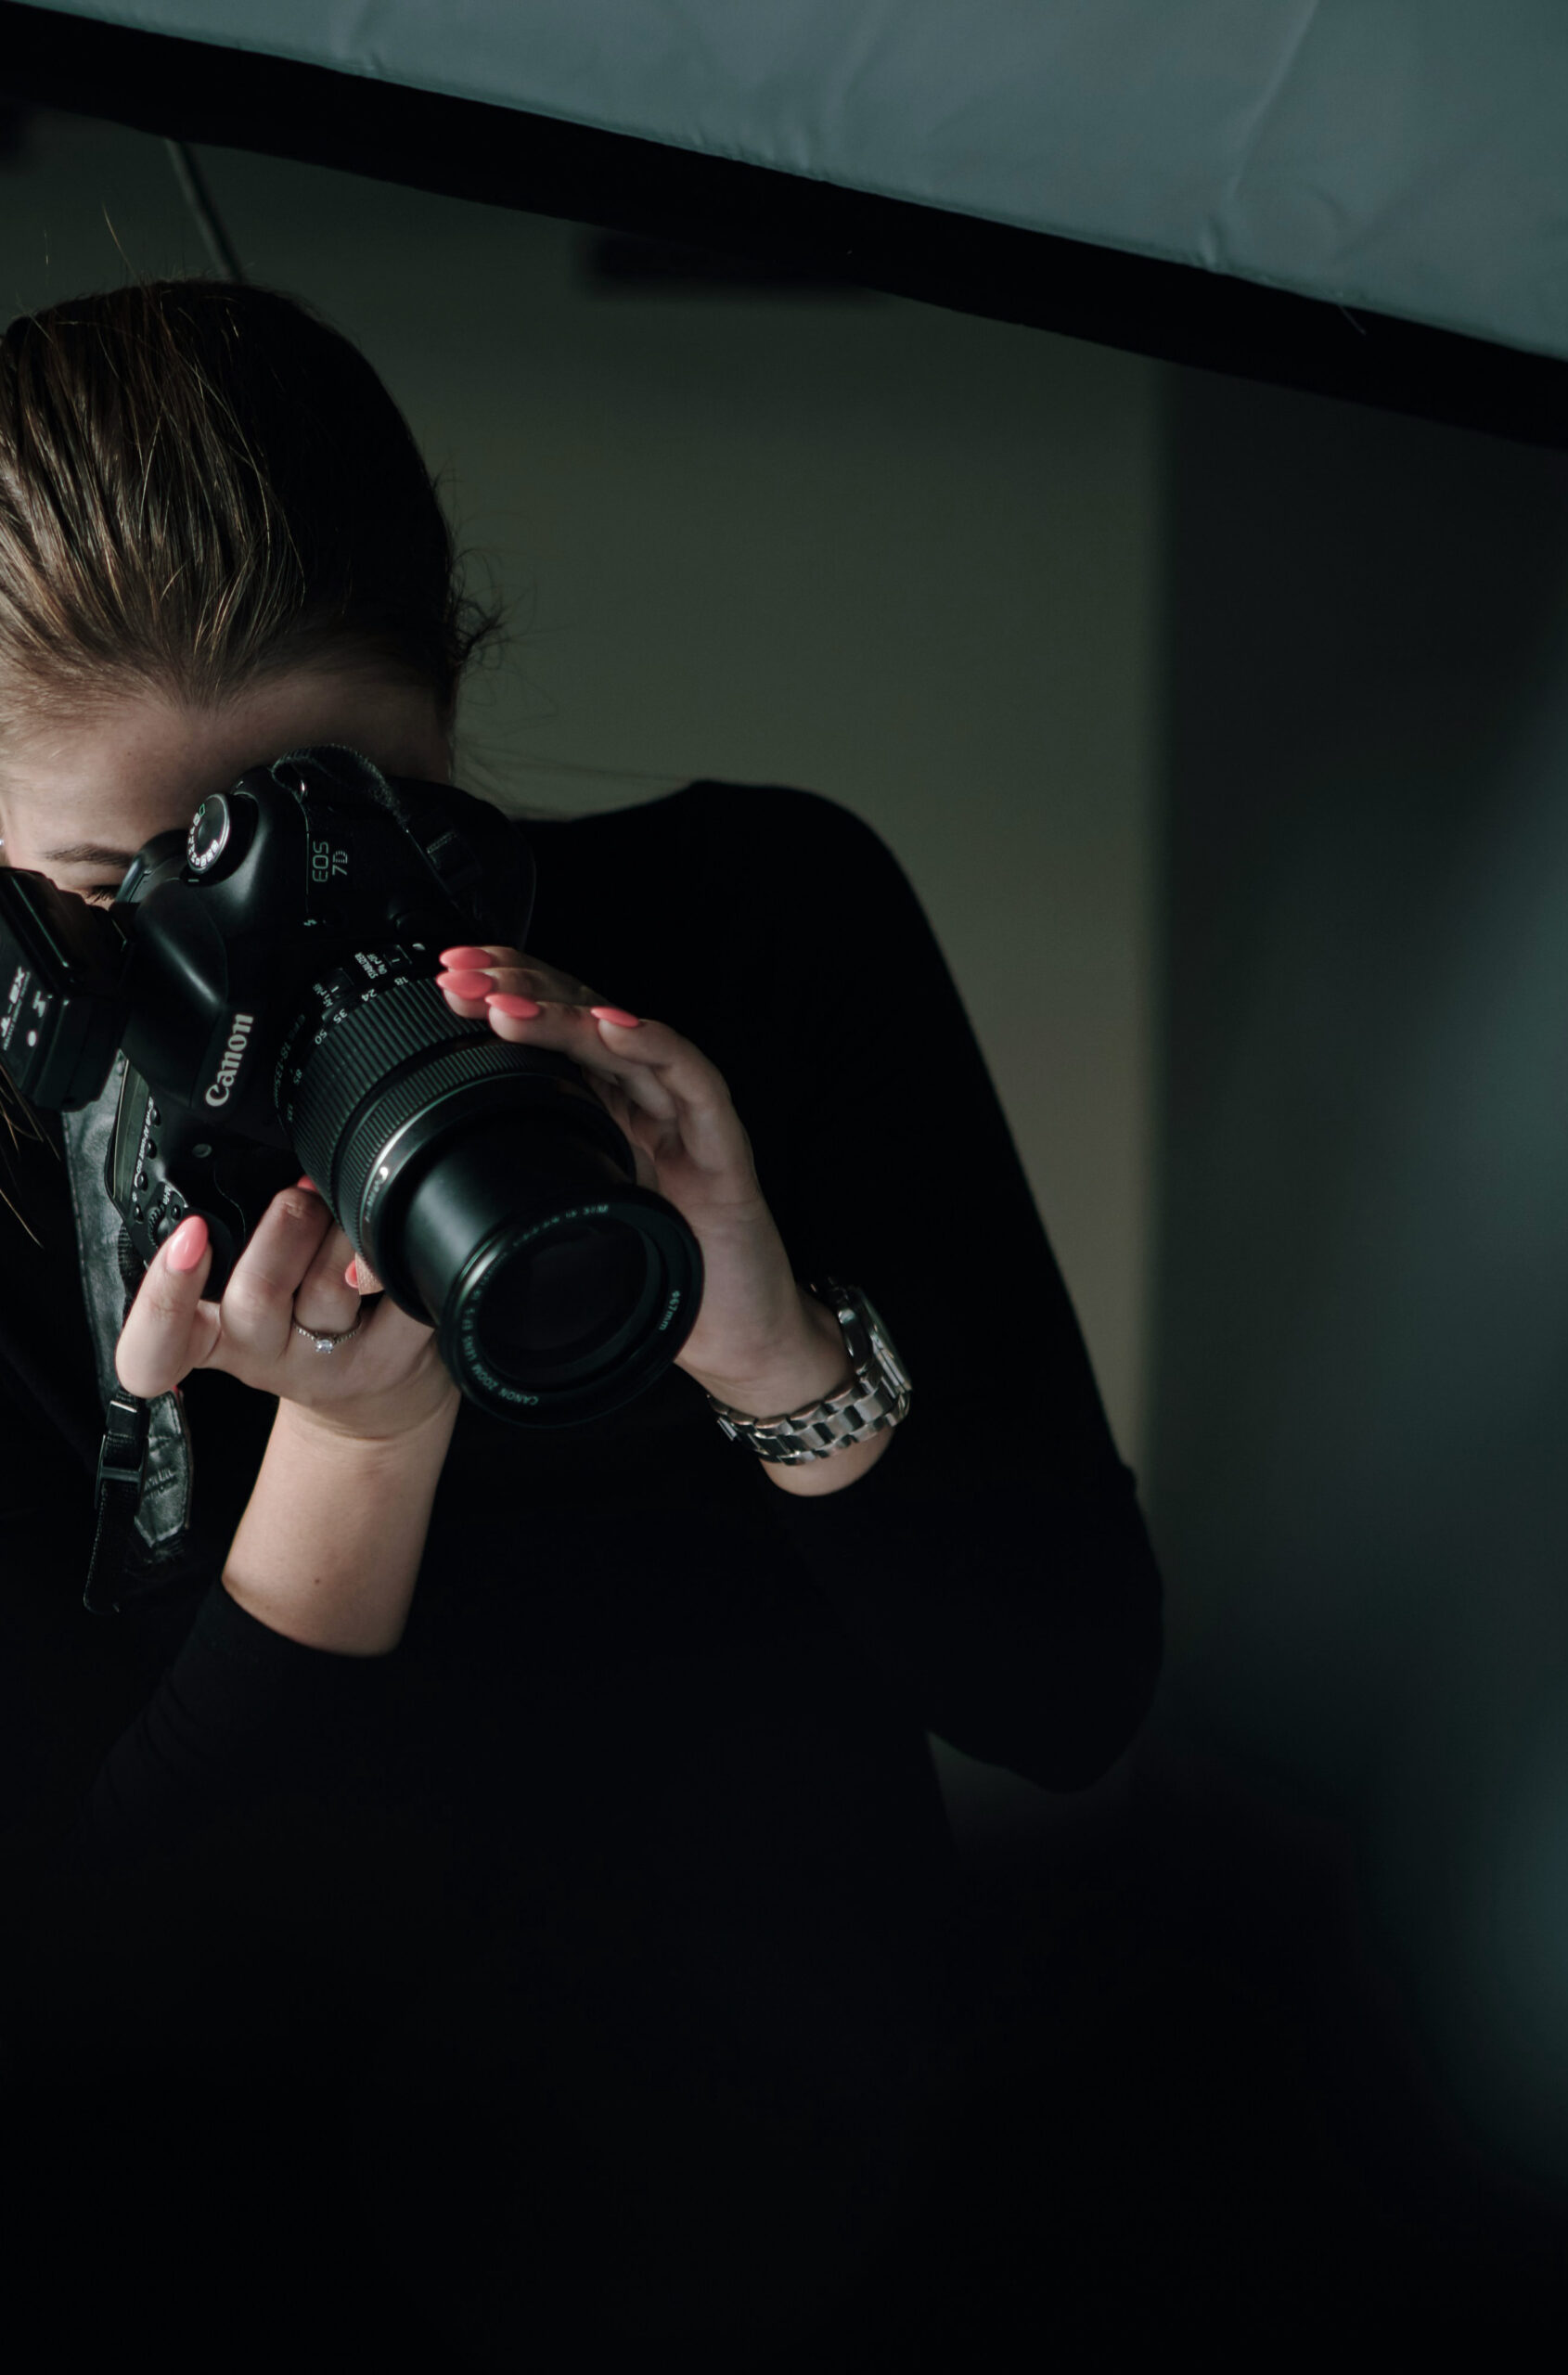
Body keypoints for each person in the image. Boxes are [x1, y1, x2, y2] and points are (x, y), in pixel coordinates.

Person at [0, 278, 1163, 2368]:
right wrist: (352, 1465)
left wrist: (778, 1350)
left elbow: (1065, 1687)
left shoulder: (753, 929)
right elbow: (101, 2033)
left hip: (849, 2238)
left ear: (453, 706)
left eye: (359, 830)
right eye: (127, 884)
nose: (289, 934)